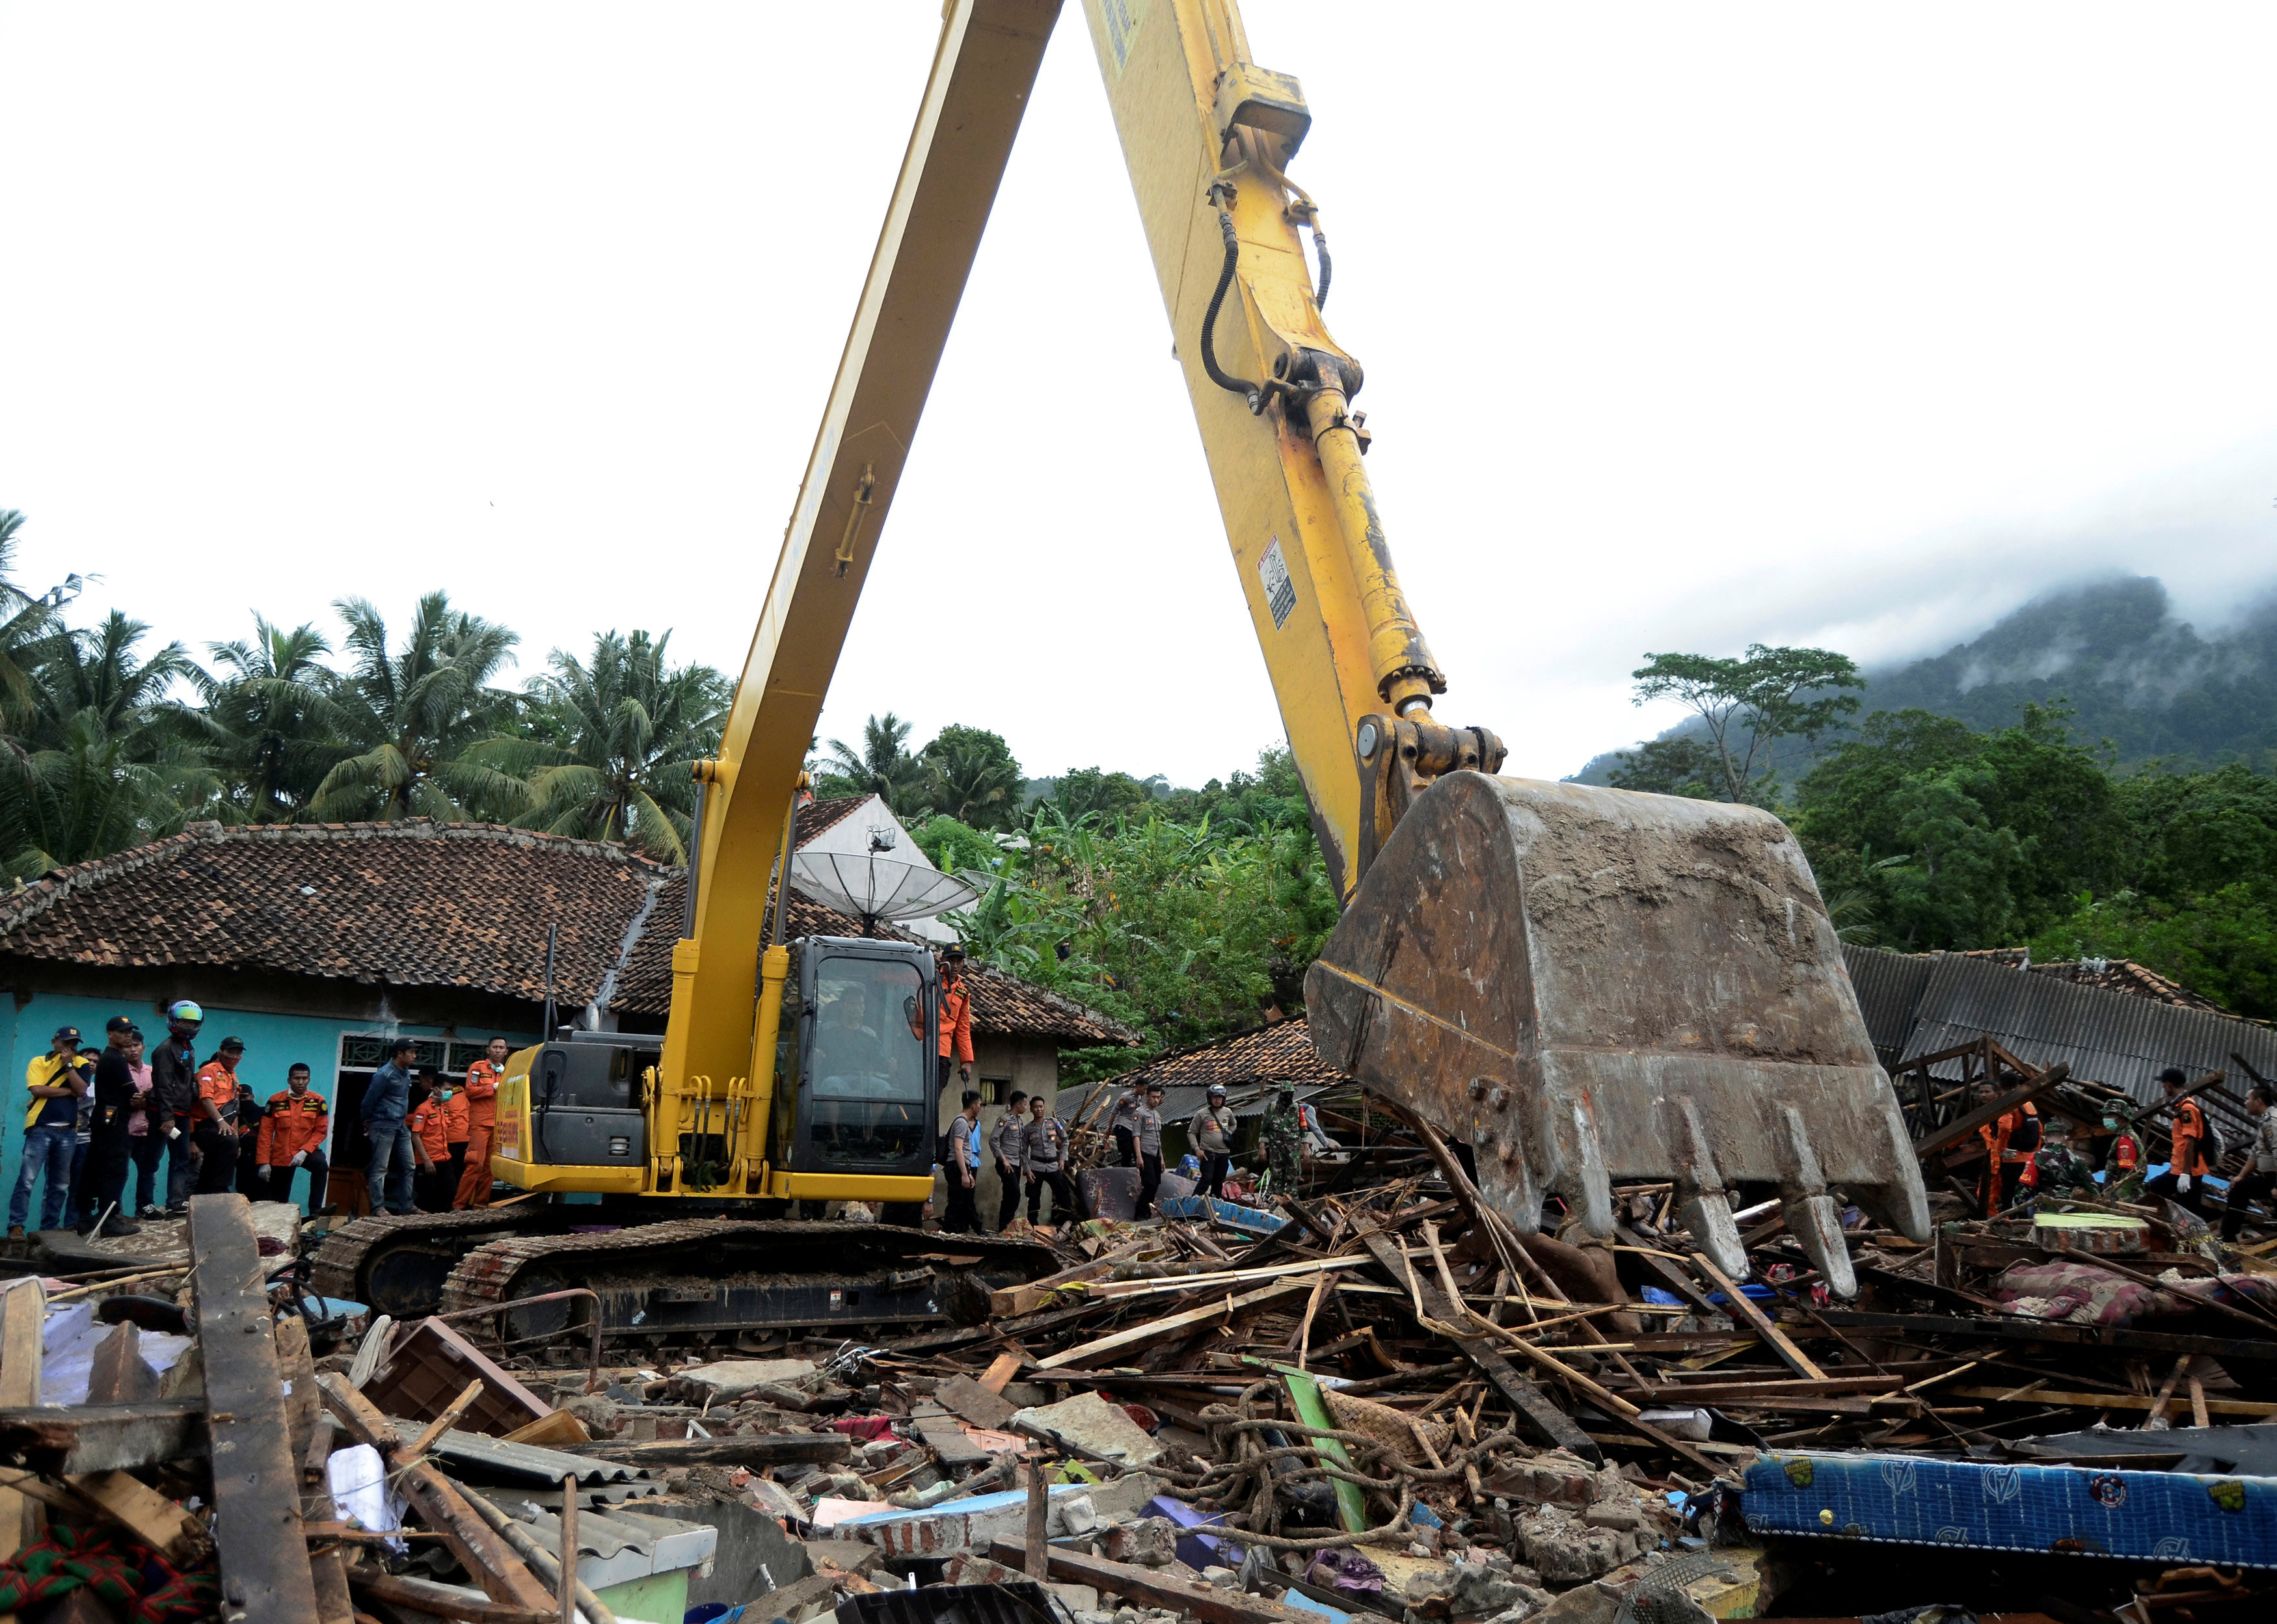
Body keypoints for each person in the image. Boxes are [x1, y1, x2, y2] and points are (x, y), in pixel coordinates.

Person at [9, 1026, 91, 1238]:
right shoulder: (39, 1062)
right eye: (66, 1043)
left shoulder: (80, 1063)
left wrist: (69, 1066)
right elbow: (37, 1090)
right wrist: (68, 1091)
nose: (70, 1047)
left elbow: (81, 1090)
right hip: (40, 1128)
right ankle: (16, 1226)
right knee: (27, 1180)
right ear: (54, 1042)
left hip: (67, 1132)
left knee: (60, 1185)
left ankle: (49, 1230)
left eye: (74, 1044)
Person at [73, 1017, 142, 1237]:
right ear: (110, 1034)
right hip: (113, 1120)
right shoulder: (115, 1059)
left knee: (95, 1166)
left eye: (130, 1031)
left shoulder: (111, 1058)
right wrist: (151, 1096)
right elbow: (134, 1094)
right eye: (123, 1031)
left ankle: (85, 1216)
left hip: (105, 1119)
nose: (128, 1035)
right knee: (115, 1169)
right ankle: (109, 1220)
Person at [150, 1002, 204, 1215]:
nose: (188, 1026)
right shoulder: (165, 1049)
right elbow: (163, 1085)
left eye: (192, 1022)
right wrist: (166, 1117)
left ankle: (176, 1202)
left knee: (181, 1157)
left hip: (182, 1114)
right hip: (164, 1116)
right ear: (173, 1021)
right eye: (184, 1021)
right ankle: (145, 1204)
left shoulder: (188, 1048)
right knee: (152, 1159)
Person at [256, 1063, 331, 1210]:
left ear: (309, 1080)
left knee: (321, 1166)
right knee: (278, 1201)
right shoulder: (275, 1101)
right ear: (289, 1080)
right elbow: (265, 1133)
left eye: (305, 1078)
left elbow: (321, 1131)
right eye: (297, 1078)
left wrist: (305, 1151)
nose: (301, 1082)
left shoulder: (318, 1101)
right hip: (282, 1153)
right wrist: (263, 1162)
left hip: (307, 1151)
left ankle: (316, 1210)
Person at [362, 1036, 420, 1216]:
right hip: (383, 1125)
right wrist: (367, 1122)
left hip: (400, 1126)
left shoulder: (406, 1073)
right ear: (400, 1053)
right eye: (411, 1052)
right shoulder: (384, 1075)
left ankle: (407, 1206)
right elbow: (368, 1102)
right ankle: (378, 1207)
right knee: (380, 1168)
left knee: (410, 1165)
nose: (415, 1056)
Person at [2144, 1067, 2210, 1216]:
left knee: (2189, 1211)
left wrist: (2185, 1174)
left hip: (2189, 1170)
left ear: (2169, 1085)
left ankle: (2196, 1237)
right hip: (2178, 1169)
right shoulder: (2180, 1106)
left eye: (2163, 1084)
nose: (2162, 1087)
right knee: (2151, 1190)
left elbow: (2190, 1141)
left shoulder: (2187, 1108)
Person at [454, 1037, 509, 1208]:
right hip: (480, 1123)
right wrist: (491, 1087)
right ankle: (459, 1206)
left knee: (490, 1169)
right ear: (488, 1050)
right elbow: (470, 1091)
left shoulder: (507, 1071)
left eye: (501, 1048)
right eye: (495, 1047)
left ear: (506, 1052)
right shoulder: (477, 1067)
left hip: (499, 1124)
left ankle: (481, 1206)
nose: (498, 1051)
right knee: (474, 1164)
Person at [2219, 1086, 2276, 1243]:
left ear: (2259, 1101)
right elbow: (2255, 1153)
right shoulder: (2265, 1121)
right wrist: (2240, 1176)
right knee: (2240, 1189)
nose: (2245, 1103)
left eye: (2247, 1099)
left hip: (2275, 1178)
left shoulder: (2273, 1122)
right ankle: (2229, 1238)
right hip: (2269, 1177)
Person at [191, 1037, 248, 1195]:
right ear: (220, 1052)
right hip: (204, 1125)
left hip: (222, 1125)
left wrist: (236, 1136)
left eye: (238, 1053)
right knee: (228, 1142)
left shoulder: (233, 1075)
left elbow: (233, 1108)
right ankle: (221, 1189)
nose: (234, 1056)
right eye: (230, 1052)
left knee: (221, 1152)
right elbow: (205, 1098)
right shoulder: (209, 1070)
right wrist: (221, 1122)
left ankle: (203, 1193)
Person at [1972, 1079, 2036, 1216]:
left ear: (1998, 1092)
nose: (1983, 1095)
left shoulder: (2005, 1107)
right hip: (2005, 1160)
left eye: (1987, 1092)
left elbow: (2005, 1128)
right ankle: (2002, 1220)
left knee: (2002, 1195)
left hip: (2005, 1160)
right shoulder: (2025, 1106)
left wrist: (2001, 1151)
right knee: (2005, 1196)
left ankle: (2003, 1222)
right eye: (1981, 1092)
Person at [122, 1030, 167, 1219]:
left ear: (143, 1047)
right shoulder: (120, 1071)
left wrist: (146, 1100)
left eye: (136, 1045)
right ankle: (114, 1211)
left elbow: (161, 1099)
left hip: (149, 1130)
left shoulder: (153, 1072)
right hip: (125, 1130)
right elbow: (124, 1101)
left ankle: (145, 1206)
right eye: (127, 1046)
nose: (132, 1050)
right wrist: (146, 1100)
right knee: (119, 1173)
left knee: (149, 1170)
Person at [1021, 1093, 1075, 1227]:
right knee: (1034, 1198)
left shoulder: (1054, 1123)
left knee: (1063, 1194)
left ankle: (1070, 1223)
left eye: (1041, 1106)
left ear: (1044, 1108)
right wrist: (1027, 1170)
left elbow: (1065, 1139)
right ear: (1031, 1109)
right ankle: (1033, 1225)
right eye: (1036, 1107)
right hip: (1036, 1167)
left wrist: (1063, 1158)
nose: (1039, 1109)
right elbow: (1023, 1151)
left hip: (1053, 1166)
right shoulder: (1028, 1129)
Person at [407, 1077, 451, 1212]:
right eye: (447, 1090)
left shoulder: (443, 1109)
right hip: (428, 1162)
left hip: (444, 1158)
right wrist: (427, 1160)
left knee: (448, 1193)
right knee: (427, 1198)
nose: (450, 1093)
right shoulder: (423, 1109)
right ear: (436, 1089)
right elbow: (415, 1135)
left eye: (452, 1090)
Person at [943, 1089, 983, 1234]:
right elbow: (959, 1149)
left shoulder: (964, 1122)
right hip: (956, 1167)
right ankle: (948, 1233)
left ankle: (976, 1229)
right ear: (973, 1106)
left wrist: (968, 1172)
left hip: (962, 1166)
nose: (980, 1107)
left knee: (965, 1202)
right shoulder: (961, 1122)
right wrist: (964, 1174)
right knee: (956, 1204)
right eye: (979, 1104)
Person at [1259, 1082, 1306, 1197]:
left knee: (1293, 1174)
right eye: (1286, 1093)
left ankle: (1292, 1200)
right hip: (1276, 1149)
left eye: (1291, 1094)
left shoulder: (1297, 1109)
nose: (1288, 1096)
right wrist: (1262, 1147)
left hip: (1292, 1149)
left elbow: (1304, 1130)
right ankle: (1277, 1198)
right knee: (1277, 1175)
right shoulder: (1271, 1108)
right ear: (1281, 1093)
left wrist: (1306, 1149)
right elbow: (1264, 1129)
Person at [989, 1089, 1027, 1231]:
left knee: (1010, 1195)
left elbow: (1021, 1145)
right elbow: (993, 1140)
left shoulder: (1020, 1121)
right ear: (1018, 1104)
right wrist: (1003, 1159)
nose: (1026, 1107)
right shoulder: (1005, 1120)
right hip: (1006, 1163)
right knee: (1014, 1193)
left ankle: (1005, 1227)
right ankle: (1005, 1225)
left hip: (1016, 1164)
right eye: (1025, 1104)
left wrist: (1022, 1164)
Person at [937, 947, 974, 1098]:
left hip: (942, 1052)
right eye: (951, 960)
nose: (955, 965)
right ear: (942, 960)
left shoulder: (963, 992)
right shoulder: (931, 981)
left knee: (935, 1094)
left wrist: (966, 1061)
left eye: (959, 961)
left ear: (963, 963)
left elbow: (963, 1029)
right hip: (920, 1046)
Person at [1190, 1084, 1236, 1201]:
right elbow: (1191, 1132)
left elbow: (1233, 1124)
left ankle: (1215, 1202)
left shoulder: (1228, 1112)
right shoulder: (1202, 1114)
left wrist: (1228, 1133)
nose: (1217, 1100)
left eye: (1220, 1098)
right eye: (1215, 1097)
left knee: (1219, 1181)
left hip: (1224, 1153)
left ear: (1224, 1099)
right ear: (1210, 1098)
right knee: (1206, 1179)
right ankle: (1193, 1201)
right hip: (1208, 1153)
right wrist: (1197, 1149)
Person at [1133, 1082, 1166, 1218]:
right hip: (1145, 1152)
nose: (1156, 1100)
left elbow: (1158, 1138)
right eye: (1154, 1097)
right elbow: (1136, 1135)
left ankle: (1147, 1213)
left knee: (1156, 1184)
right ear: (1147, 1097)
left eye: (1158, 1097)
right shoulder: (1139, 1113)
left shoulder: (1157, 1115)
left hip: (1156, 1154)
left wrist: (1162, 1159)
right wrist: (1139, 1156)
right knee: (1150, 1184)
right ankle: (1139, 1213)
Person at [234, 1079, 266, 1195]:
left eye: (245, 1097)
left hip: (262, 1160)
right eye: (239, 1098)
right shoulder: (235, 1116)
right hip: (243, 1162)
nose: (242, 1101)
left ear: (252, 1097)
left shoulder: (263, 1113)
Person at [1109, 1081, 1145, 1169]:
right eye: (1144, 1089)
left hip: (1133, 1128)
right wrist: (1109, 1128)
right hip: (1123, 1126)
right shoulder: (1125, 1097)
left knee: (1137, 1152)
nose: (1145, 1091)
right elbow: (1114, 1112)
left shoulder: (1139, 1098)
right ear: (1138, 1086)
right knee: (1127, 1153)